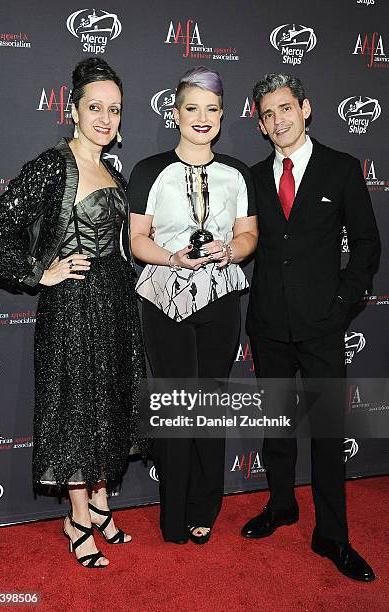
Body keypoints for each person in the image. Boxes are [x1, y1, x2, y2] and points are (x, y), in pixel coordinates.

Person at [0, 57, 145, 569]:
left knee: (106, 403)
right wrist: (39, 271)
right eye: (94, 107)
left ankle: (99, 501)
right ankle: (75, 517)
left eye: (114, 109)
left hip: (115, 303)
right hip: (73, 306)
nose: (105, 118)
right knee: (76, 410)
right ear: (73, 111)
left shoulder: (112, 168)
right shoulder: (53, 165)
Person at [241, 73, 380, 581]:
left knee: (327, 435)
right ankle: (281, 506)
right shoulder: (253, 177)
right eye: (268, 114)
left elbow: (367, 245)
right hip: (269, 326)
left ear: (306, 107)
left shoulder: (341, 169)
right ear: (259, 124)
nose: (278, 120)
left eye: (286, 109)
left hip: (324, 327)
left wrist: (342, 305)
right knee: (275, 428)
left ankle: (333, 537)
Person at [128, 66, 258, 544]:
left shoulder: (237, 173)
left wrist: (233, 250)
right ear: (175, 112)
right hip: (164, 296)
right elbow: (137, 239)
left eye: (211, 109)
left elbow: (249, 236)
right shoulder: (148, 170)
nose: (201, 118)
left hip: (220, 298)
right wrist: (172, 257)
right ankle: (173, 512)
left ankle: (205, 504)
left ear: (222, 116)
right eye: (191, 108)